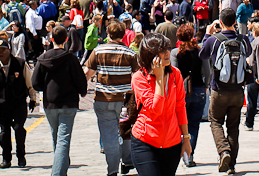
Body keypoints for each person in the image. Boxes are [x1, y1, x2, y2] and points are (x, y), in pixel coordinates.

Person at [130, 33, 193, 176]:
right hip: (145, 141)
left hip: (172, 142)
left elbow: (180, 107)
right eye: (162, 50)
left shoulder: (175, 74)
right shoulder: (139, 78)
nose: (167, 53)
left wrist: (186, 139)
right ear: (150, 53)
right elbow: (156, 109)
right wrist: (159, 78)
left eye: (168, 49)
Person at [198, 8, 252, 174]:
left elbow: (203, 55)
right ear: (235, 22)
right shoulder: (243, 39)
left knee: (215, 121)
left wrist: (207, 34)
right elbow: (248, 52)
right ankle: (231, 165)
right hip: (237, 90)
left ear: (220, 22)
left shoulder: (214, 39)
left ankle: (224, 151)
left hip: (219, 89)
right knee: (233, 127)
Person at [84, 19, 139, 176]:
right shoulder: (130, 53)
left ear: (107, 34)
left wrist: (80, 89)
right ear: (123, 35)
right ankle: (126, 161)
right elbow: (137, 76)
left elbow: (88, 73)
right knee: (125, 131)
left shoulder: (98, 51)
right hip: (124, 100)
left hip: (104, 98)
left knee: (109, 136)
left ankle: (112, 169)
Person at [32, 25, 88, 176]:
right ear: (67, 39)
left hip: (50, 103)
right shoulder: (71, 58)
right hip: (68, 102)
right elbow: (80, 80)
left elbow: (35, 83)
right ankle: (58, 172)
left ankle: (61, 167)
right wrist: (82, 91)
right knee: (63, 138)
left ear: (51, 39)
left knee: (56, 136)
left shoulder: (43, 59)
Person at [0, 37, 38, 169]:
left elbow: (29, 82)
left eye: (3, 50)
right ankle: (6, 159)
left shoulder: (20, 64)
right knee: (4, 132)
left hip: (18, 103)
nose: (1, 53)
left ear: (9, 50)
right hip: (2, 105)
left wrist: (33, 98)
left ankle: (21, 156)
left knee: (19, 129)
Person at [170, 24, 206, 167]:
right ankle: (189, 155)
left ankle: (179, 153)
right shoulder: (199, 50)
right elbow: (207, 71)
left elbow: (174, 73)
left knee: (179, 125)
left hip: (181, 93)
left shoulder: (175, 53)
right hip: (198, 88)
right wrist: (207, 85)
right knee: (194, 125)